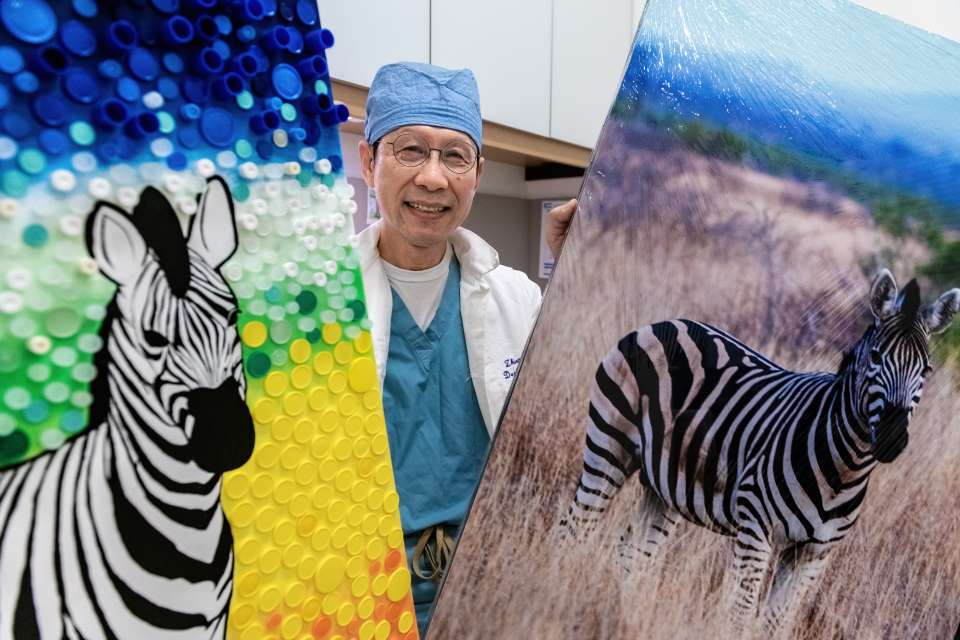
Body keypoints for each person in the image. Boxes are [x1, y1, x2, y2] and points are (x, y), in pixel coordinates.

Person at [355, 61, 576, 634]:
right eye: (410, 150)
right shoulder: (317, 311)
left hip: (493, 598)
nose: (433, 178)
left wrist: (581, 277)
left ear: (477, 173)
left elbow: (578, 421)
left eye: (455, 156)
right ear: (367, 161)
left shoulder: (517, 300)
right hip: (357, 602)